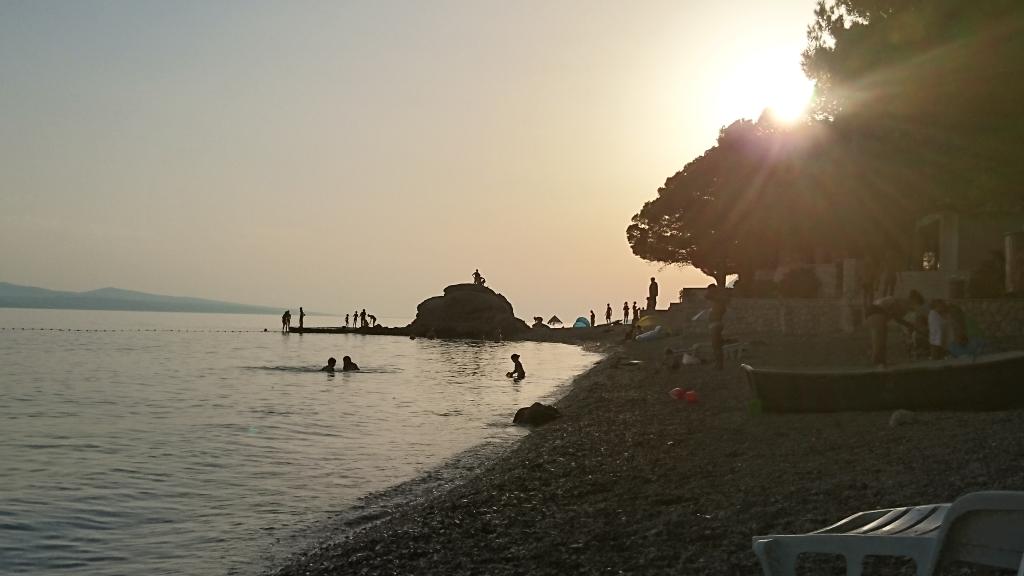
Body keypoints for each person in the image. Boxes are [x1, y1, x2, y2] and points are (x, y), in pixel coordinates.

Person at [865, 290, 925, 367]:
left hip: (876, 311)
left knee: (881, 339)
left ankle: (880, 361)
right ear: (914, 300)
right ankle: (878, 362)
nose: (916, 308)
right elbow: (896, 316)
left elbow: (897, 317)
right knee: (879, 340)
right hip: (876, 311)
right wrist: (909, 325)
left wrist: (909, 325)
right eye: (917, 304)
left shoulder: (903, 303)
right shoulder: (904, 303)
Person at [705, 284, 730, 370]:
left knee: (716, 345)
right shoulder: (717, 301)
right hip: (715, 324)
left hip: (716, 324)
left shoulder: (718, 300)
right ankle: (718, 364)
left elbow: (707, 296)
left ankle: (719, 365)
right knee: (716, 345)